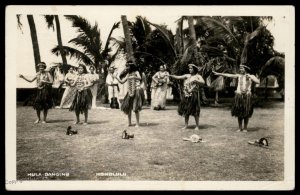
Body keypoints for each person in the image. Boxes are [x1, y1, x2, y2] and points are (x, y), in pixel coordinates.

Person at [213, 64, 260, 132]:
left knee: (246, 113)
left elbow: (258, 81)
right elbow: (229, 75)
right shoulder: (239, 76)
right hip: (239, 95)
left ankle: (245, 128)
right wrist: (218, 73)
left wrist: (250, 76)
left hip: (247, 96)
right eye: (240, 68)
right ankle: (240, 128)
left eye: (242, 68)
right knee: (239, 112)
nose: (240, 70)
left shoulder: (251, 76)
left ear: (245, 69)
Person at [169, 64, 205, 130]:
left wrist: (196, 81)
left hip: (194, 95)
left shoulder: (198, 76)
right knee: (186, 110)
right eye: (189, 68)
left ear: (194, 69)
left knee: (195, 111)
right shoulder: (187, 75)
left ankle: (197, 126)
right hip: (186, 95)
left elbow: (203, 82)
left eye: (191, 68)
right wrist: (171, 75)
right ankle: (186, 125)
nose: (190, 70)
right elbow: (178, 77)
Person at [113, 61, 145, 127]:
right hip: (130, 91)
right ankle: (129, 123)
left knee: (135, 108)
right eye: (126, 66)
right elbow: (122, 82)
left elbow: (140, 78)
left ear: (131, 66)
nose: (127, 67)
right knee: (128, 107)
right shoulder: (128, 74)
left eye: (128, 66)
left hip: (136, 91)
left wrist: (133, 77)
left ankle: (137, 123)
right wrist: (116, 77)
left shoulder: (136, 72)